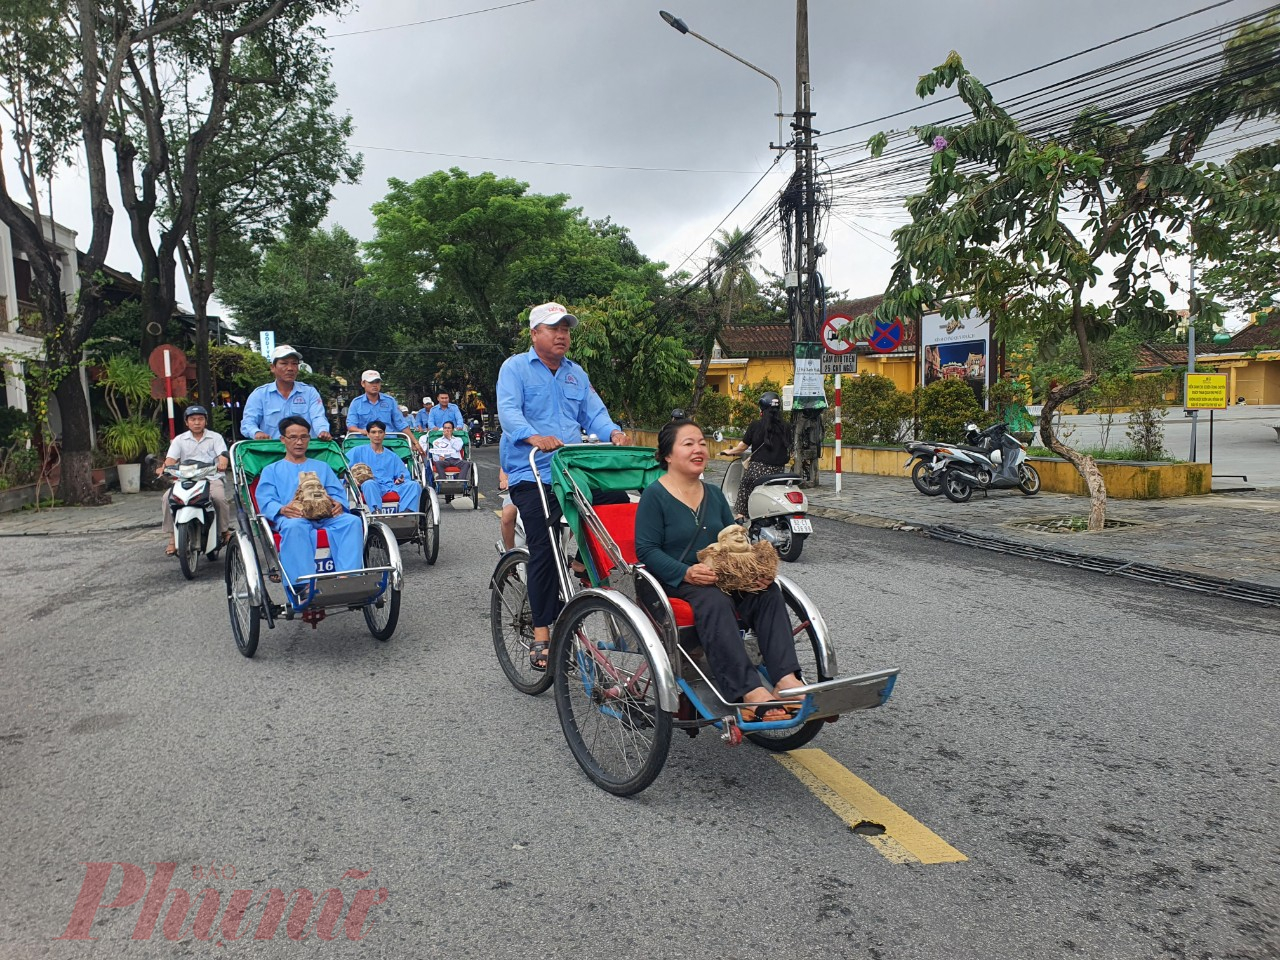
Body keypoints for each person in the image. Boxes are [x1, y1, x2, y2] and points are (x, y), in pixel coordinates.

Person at [636, 418, 804, 721]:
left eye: (702, 442)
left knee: (767, 591)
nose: (699, 449)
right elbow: (646, 550)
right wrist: (686, 573)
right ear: (667, 455)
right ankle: (748, 691)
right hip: (673, 580)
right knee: (714, 600)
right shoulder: (654, 495)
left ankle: (786, 679)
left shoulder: (713, 494)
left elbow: (732, 538)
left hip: (721, 575)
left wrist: (752, 569)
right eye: (688, 444)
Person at [497, 300, 630, 670]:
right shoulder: (515, 368)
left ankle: (580, 566)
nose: (562, 335)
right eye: (554, 328)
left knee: (617, 502)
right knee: (542, 546)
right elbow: (508, 412)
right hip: (531, 472)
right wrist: (533, 436)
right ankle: (542, 633)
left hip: (571, 468)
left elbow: (595, 413)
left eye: (566, 329)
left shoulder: (576, 373)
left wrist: (613, 432)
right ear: (534, 333)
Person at [254, 416, 364, 607]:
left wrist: (339, 504)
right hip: (293, 517)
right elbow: (265, 499)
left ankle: (348, 580)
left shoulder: (322, 466)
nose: (299, 442)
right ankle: (304, 585)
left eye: (304, 437)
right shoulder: (271, 470)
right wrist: (281, 508)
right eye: (293, 437)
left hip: (325, 516)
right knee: (295, 526)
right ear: (283, 440)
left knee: (352, 521)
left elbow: (337, 493)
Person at [156, 404, 231, 556]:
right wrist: (164, 468)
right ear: (186, 422)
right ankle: (172, 538)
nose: (197, 422)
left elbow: (223, 454)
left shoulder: (215, 438)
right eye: (193, 419)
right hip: (185, 479)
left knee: (218, 498)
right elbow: (171, 459)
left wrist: (223, 462)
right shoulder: (179, 440)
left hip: (210, 477)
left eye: (200, 419)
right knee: (166, 498)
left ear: (206, 421)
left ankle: (224, 531)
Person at [720, 391, 791, 519]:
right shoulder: (786, 427)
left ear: (762, 409)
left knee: (745, 487)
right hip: (779, 471)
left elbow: (742, 447)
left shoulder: (756, 425)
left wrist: (729, 451)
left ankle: (740, 518)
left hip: (758, 470)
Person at [240, 345, 331, 440]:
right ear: (272, 367)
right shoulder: (259, 394)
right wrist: (256, 432)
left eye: (294, 364)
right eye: (284, 363)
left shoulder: (310, 392)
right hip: (271, 451)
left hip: (304, 451)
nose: (290, 368)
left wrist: (322, 431)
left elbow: (318, 417)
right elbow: (248, 422)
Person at [347, 420, 423, 513]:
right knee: (369, 483)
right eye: (373, 432)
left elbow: (403, 474)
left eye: (380, 432)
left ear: (384, 434)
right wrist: (352, 480)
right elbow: (344, 469)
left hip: (391, 486)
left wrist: (400, 479)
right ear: (368, 434)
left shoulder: (392, 456)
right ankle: (376, 512)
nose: (377, 435)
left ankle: (406, 514)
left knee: (413, 485)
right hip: (372, 486)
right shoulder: (357, 451)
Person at [345, 370, 418, 453]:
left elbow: (401, 424)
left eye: (377, 382)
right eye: (371, 382)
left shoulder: (390, 401)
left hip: (390, 443)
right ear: (363, 383)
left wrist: (415, 442)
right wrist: (363, 432)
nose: (375, 385)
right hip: (364, 442)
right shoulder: (356, 403)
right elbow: (351, 426)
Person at [422, 421, 471, 485]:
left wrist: (449, 438)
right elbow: (435, 454)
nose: (447, 430)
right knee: (438, 463)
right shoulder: (437, 441)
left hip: (456, 460)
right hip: (444, 460)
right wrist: (439, 458)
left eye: (449, 428)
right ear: (443, 429)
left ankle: (460, 482)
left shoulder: (458, 439)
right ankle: (444, 482)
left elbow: (458, 448)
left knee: (466, 463)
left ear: (452, 430)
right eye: (445, 428)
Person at [497, 467, 519, 551]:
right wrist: (504, 481)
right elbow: (504, 467)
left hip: (549, 489)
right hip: (521, 489)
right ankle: (510, 553)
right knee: (507, 515)